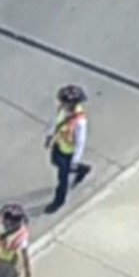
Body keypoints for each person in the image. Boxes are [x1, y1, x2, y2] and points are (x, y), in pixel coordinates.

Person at [44, 84, 92, 213]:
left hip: (69, 153)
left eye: (64, 102)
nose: (61, 103)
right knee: (54, 162)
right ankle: (83, 170)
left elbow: (80, 141)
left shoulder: (79, 121)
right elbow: (55, 122)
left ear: (72, 104)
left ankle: (59, 201)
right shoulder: (62, 109)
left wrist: (75, 160)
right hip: (59, 145)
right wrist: (49, 136)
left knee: (62, 179)